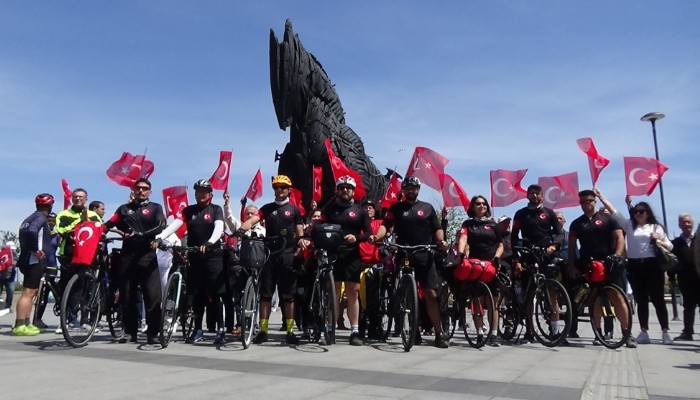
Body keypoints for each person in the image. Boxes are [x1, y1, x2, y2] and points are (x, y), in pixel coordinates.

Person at [374, 176, 450, 348]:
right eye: (407, 187)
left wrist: (440, 241)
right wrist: (376, 236)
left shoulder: (427, 208)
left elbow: (437, 228)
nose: (410, 190)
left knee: (431, 294)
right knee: (406, 294)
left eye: (413, 187)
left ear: (418, 189)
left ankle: (439, 333)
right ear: (403, 190)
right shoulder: (396, 208)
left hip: (424, 254)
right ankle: (412, 330)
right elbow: (386, 224)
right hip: (404, 253)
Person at [596, 189, 673, 345]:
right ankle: (644, 331)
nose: (638, 214)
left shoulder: (656, 227)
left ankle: (665, 331)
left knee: (658, 299)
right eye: (636, 211)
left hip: (652, 265)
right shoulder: (629, 225)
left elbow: (670, 246)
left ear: (648, 213)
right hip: (635, 265)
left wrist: (659, 241)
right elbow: (614, 211)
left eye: (642, 211)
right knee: (641, 299)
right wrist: (600, 196)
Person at [239, 175, 306, 345]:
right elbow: (252, 220)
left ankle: (290, 331)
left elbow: (300, 232)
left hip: (288, 256)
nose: (279, 190)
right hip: (269, 256)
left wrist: (302, 240)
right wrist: (240, 230)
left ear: (289, 190)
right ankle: (263, 331)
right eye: (276, 187)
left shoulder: (294, 209)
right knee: (266, 295)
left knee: (288, 296)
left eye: (283, 187)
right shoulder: (267, 208)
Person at [157, 179, 226, 344]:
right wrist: (160, 237)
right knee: (197, 294)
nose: (201, 194)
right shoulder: (189, 210)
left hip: (213, 255)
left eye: (204, 191)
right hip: (195, 256)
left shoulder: (216, 209)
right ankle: (198, 329)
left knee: (216, 294)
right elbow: (176, 224)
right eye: (198, 191)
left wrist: (209, 242)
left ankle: (221, 329)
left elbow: (219, 228)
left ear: (210, 194)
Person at [568, 189, 634, 347]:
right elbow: (571, 247)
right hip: (588, 265)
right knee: (594, 300)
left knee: (617, 298)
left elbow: (619, 238)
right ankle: (598, 333)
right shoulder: (576, 223)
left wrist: (618, 255)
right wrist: (571, 265)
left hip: (609, 264)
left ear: (594, 201)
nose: (586, 204)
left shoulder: (608, 219)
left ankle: (627, 333)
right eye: (583, 202)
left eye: (589, 201)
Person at [104, 178, 166, 344]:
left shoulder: (155, 207)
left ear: (149, 192)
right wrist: (96, 231)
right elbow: (109, 223)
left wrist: (142, 235)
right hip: (127, 256)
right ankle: (129, 332)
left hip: (147, 256)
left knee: (153, 297)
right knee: (127, 296)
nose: (141, 191)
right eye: (138, 188)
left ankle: (153, 333)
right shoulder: (124, 209)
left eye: (144, 189)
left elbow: (161, 226)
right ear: (133, 190)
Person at [319, 176, 372, 346]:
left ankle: (354, 330)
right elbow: (320, 227)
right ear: (337, 190)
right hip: (333, 253)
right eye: (341, 187)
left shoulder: (360, 210)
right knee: (333, 292)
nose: (345, 190)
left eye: (348, 188)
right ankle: (330, 327)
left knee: (353, 293)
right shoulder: (329, 209)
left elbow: (368, 233)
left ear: (353, 191)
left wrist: (356, 238)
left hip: (352, 255)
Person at [510, 184, 564, 344]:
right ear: (527, 195)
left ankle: (555, 330)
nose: (534, 196)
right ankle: (529, 331)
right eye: (531, 193)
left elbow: (560, 233)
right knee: (529, 295)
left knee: (552, 293)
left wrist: (554, 245)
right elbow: (514, 236)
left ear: (542, 196)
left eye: (537, 194)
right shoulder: (521, 214)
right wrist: (516, 258)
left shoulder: (549, 213)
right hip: (528, 255)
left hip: (546, 255)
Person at [455, 195, 504, 347]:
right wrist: (461, 253)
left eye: (484, 204)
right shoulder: (467, 224)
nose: (482, 206)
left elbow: (501, 244)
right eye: (478, 204)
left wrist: (497, 257)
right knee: (476, 300)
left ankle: (494, 334)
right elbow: (463, 238)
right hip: (475, 265)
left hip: (491, 265)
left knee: (494, 301)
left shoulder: (493, 224)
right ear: (472, 207)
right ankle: (480, 334)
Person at [12, 193, 54, 336]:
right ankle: (19, 325)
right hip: (34, 259)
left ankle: (26, 323)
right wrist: (36, 250)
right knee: (28, 292)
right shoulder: (41, 217)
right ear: (49, 206)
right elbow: (32, 231)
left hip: (26, 257)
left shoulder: (29, 218)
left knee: (32, 292)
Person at [670, 214, 698, 341]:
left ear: (692, 223)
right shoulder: (675, 243)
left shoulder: (698, 239)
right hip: (685, 277)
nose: (687, 224)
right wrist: (672, 277)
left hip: (699, 275)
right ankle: (687, 332)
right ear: (679, 225)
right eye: (684, 222)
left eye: (689, 222)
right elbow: (671, 261)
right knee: (688, 306)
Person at [32, 213, 60, 329]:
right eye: (49, 220)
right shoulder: (41, 233)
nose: (51, 222)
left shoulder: (57, 235)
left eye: (53, 220)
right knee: (39, 293)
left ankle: (63, 312)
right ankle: (36, 319)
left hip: (52, 265)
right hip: (40, 264)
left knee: (51, 291)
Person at [0, 241, 18, 315]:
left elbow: (17, 262)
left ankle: (8, 306)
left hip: (10, 275)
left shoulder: (14, 255)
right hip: (1, 275)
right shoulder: (1, 253)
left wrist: (14, 263)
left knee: (10, 291)